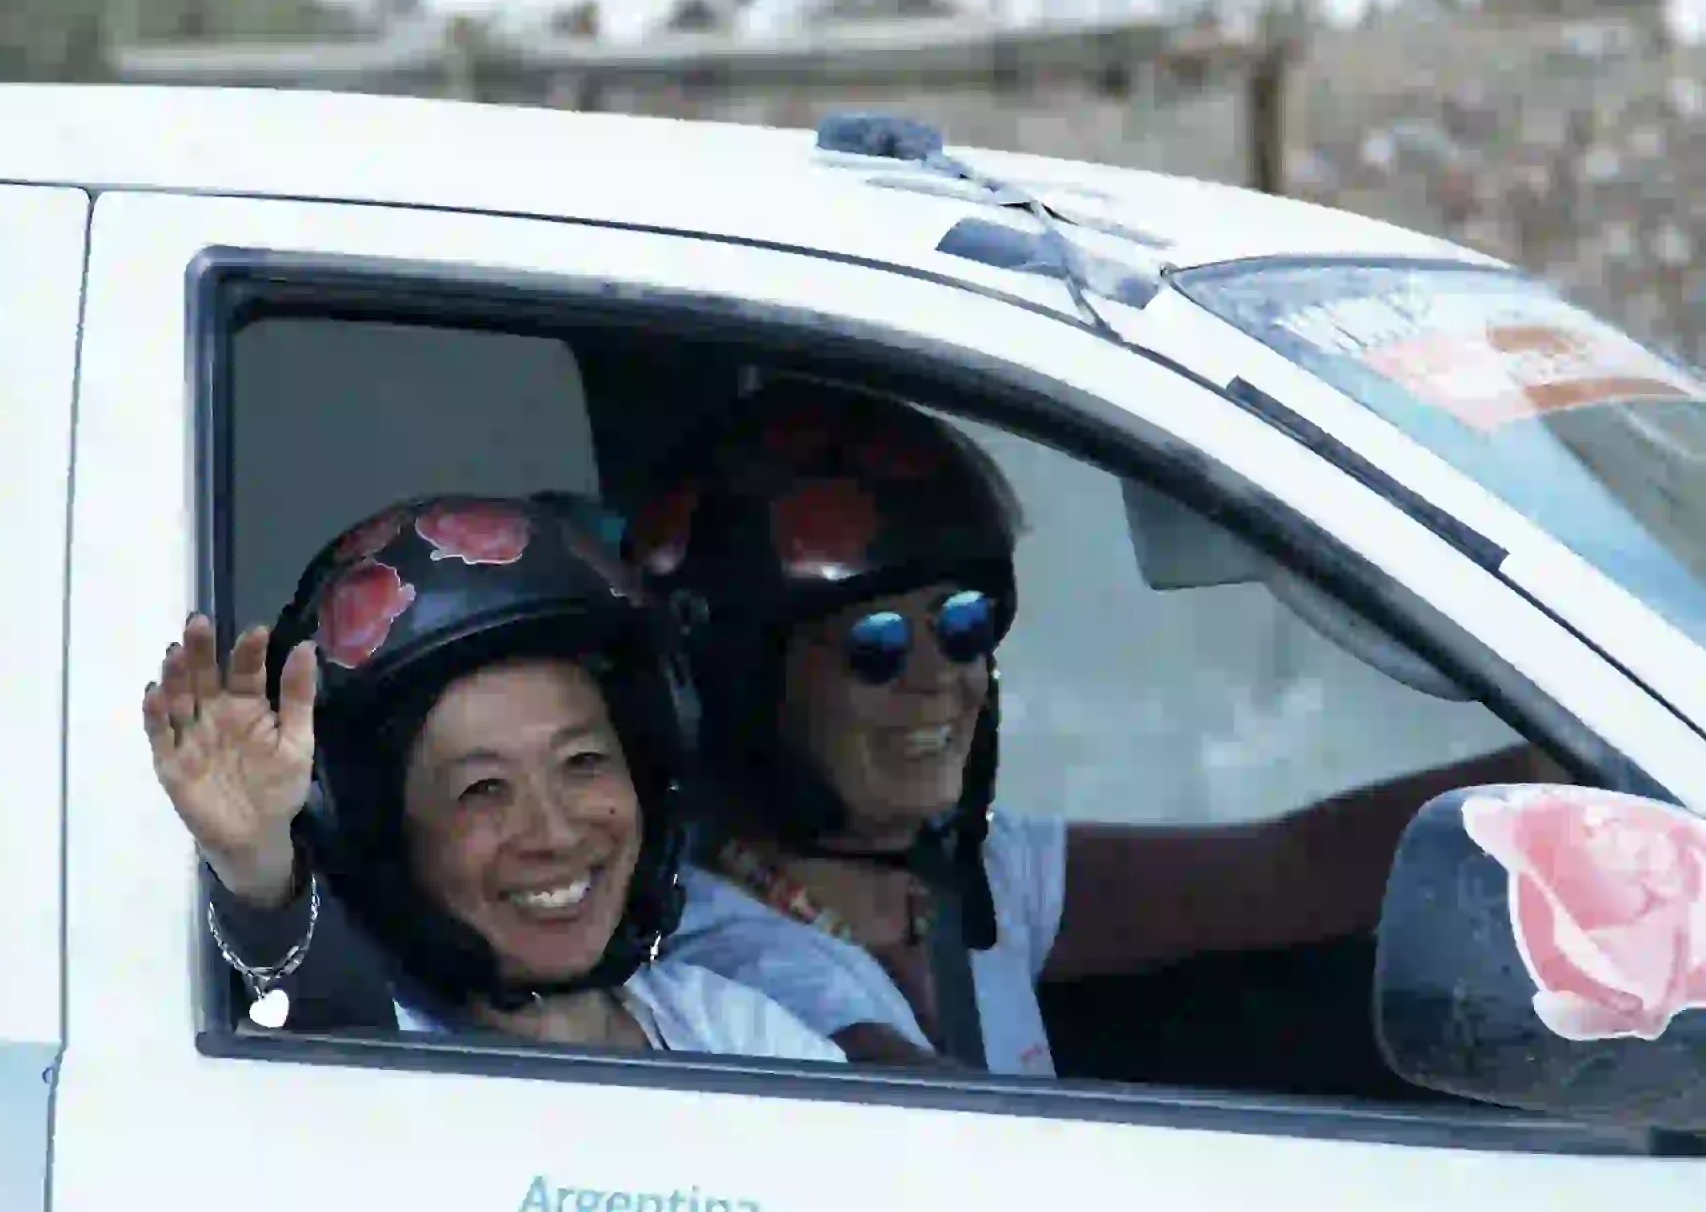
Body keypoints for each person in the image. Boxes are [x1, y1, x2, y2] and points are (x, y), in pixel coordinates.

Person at [625, 376, 1568, 1075]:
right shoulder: (730, 954)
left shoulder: (969, 880)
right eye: (876, 643)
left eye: (963, 624)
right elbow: (939, 1129)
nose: (941, 681)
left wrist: (1575, 767)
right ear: (743, 686)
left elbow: (1297, 867)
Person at [142, 492, 845, 1061]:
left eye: (584, 763)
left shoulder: (740, 1038)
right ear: (382, 837)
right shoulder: (370, 1054)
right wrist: (261, 870)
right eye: (483, 789)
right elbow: (324, 1020)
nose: (553, 831)